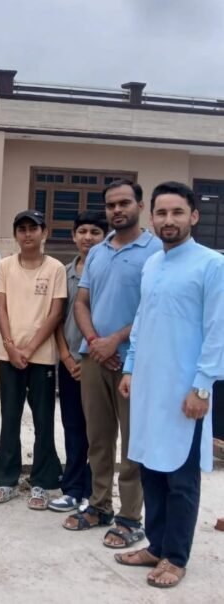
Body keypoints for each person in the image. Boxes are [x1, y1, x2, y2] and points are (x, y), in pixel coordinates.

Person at [115, 181, 224, 588]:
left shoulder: (211, 265)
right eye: (161, 213)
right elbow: (142, 322)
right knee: (150, 469)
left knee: (180, 477)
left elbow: (218, 331)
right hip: (148, 388)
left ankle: (175, 557)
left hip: (184, 392)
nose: (169, 220)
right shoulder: (152, 264)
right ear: (152, 217)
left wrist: (202, 387)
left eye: (177, 212)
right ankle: (156, 545)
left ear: (194, 216)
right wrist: (130, 368)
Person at [64, 179, 162, 547]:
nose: (117, 210)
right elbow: (81, 302)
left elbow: (152, 308)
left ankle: (130, 517)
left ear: (140, 206)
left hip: (133, 361)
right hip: (94, 358)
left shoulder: (156, 251)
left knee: (133, 442)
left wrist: (115, 341)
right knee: (99, 438)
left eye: (124, 203)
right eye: (111, 205)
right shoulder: (99, 252)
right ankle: (99, 505)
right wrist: (94, 342)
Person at [0, 210, 65, 508]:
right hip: (9, 356)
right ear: (16, 234)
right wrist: (11, 347)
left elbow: (55, 314)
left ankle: (43, 482)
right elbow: (1, 308)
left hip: (42, 357)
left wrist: (30, 349)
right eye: (22, 229)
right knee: (10, 417)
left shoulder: (55, 268)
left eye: (33, 228)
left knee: (43, 420)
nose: (28, 234)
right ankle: (6, 479)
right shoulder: (4, 265)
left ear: (44, 232)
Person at [48, 211, 108, 512]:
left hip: (100, 362)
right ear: (73, 236)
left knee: (98, 431)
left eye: (95, 232)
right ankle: (72, 488)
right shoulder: (64, 273)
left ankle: (93, 491)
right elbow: (56, 318)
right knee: (72, 427)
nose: (88, 237)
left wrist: (90, 358)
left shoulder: (109, 272)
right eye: (82, 231)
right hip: (70, 362)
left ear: (105, 237)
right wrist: (65, 356)